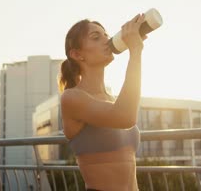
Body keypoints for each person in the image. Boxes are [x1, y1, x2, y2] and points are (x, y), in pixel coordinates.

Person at [59, 13, 147, 191]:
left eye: (106, 35)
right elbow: (126, 117)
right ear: (77, 54)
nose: (106, 40)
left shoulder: (111, 100)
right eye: (95, 37)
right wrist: (135, 51)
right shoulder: (71, 98)